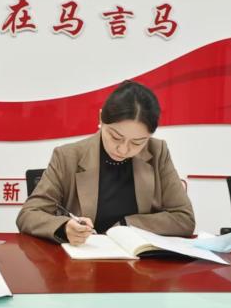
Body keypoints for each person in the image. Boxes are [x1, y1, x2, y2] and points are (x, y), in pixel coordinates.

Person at [16, 81, 195, 245]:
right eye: (115, 137)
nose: (123, 150)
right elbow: (28, 215)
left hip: (139, 262)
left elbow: (184, 218)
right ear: (101, 118)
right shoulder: (68, 156)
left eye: (137, 143)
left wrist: (126, 225)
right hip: (82, 261)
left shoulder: (157, 152)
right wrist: (64, 227)